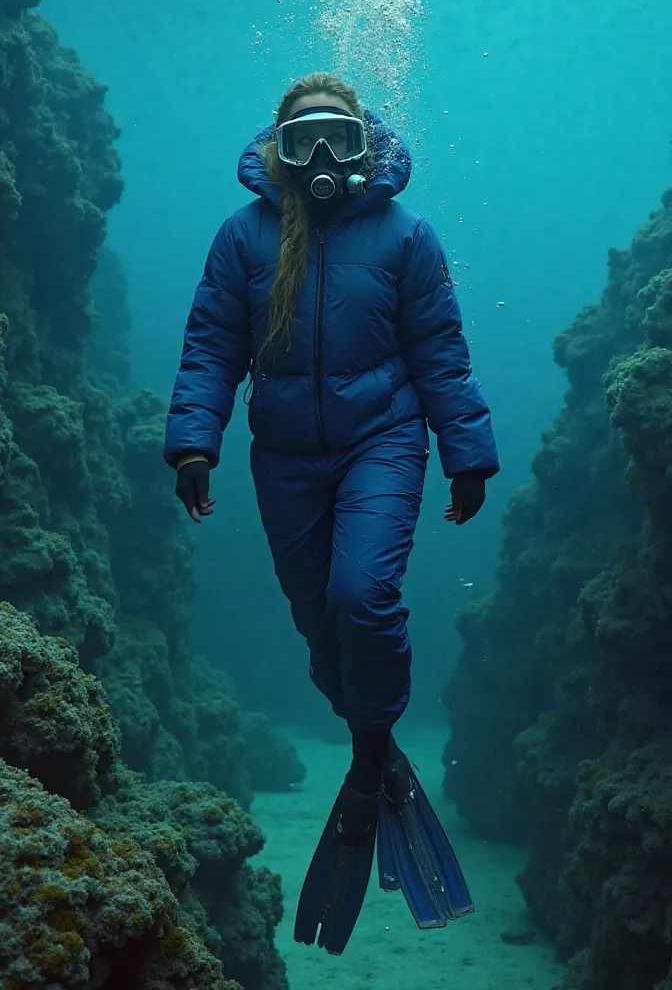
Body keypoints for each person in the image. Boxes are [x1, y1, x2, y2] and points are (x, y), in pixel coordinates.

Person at [164, 72, 499, 954]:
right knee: (318, 622)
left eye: (337, 142)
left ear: (365, 149)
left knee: (361, 597)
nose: (319, 162)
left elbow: (442, 352)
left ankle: (363, 768)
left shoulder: (405, 236)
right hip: (285, 456)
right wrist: (193, 441)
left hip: (382, 441)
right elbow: (210, 345)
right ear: (274, 151)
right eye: (302, 141)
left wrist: (466, 454)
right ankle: (381, 751)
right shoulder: (242, 240)